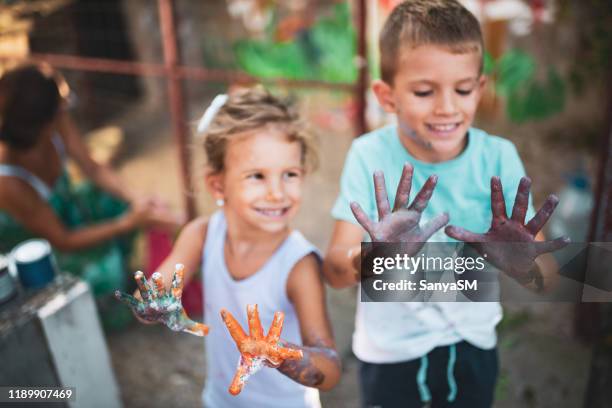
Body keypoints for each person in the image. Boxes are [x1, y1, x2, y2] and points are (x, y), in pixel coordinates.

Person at [323, 1, 568, 407]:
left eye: (463, 89)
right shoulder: (369, 156)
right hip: (390, 354)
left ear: (481, 89)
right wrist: (374, 259)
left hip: (472, 350)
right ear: (387, 96)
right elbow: (334, 271)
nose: (447, 108)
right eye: (423, 91)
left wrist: (523, 263)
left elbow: (549, 278)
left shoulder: (498, 158)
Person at [117, 88, 341, 407]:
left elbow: (330, 371)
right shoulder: (202, 234)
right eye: (257, 176)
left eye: (290, 174)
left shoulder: (298, 265)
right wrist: (152, 304)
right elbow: (149, 301)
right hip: (221, 399)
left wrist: (283, 355)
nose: (277, 193)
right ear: (218, 185)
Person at [0, 64, 179, 327]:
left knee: (116, 201)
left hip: (65, 212)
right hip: (40, 251)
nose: (66, 106)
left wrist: (137, 199)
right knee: (105, 265)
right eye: (62, 104)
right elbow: (63, 239)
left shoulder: (55, 120)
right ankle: (100, 314)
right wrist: (127, 222)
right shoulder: (8, 181)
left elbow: (93, 167)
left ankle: (120, 276)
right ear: (45, 123)